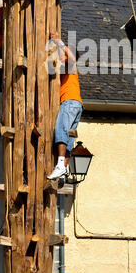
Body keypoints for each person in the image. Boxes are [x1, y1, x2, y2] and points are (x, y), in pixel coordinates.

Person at [47, 33, 83, 179]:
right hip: (76, 104)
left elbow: (70, 58)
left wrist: (58, 41)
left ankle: (60, 165)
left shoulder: (71, 64)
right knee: (68, 139)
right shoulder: (67, 69)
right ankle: (63, 171)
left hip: (70, 102)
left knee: (60, 131)